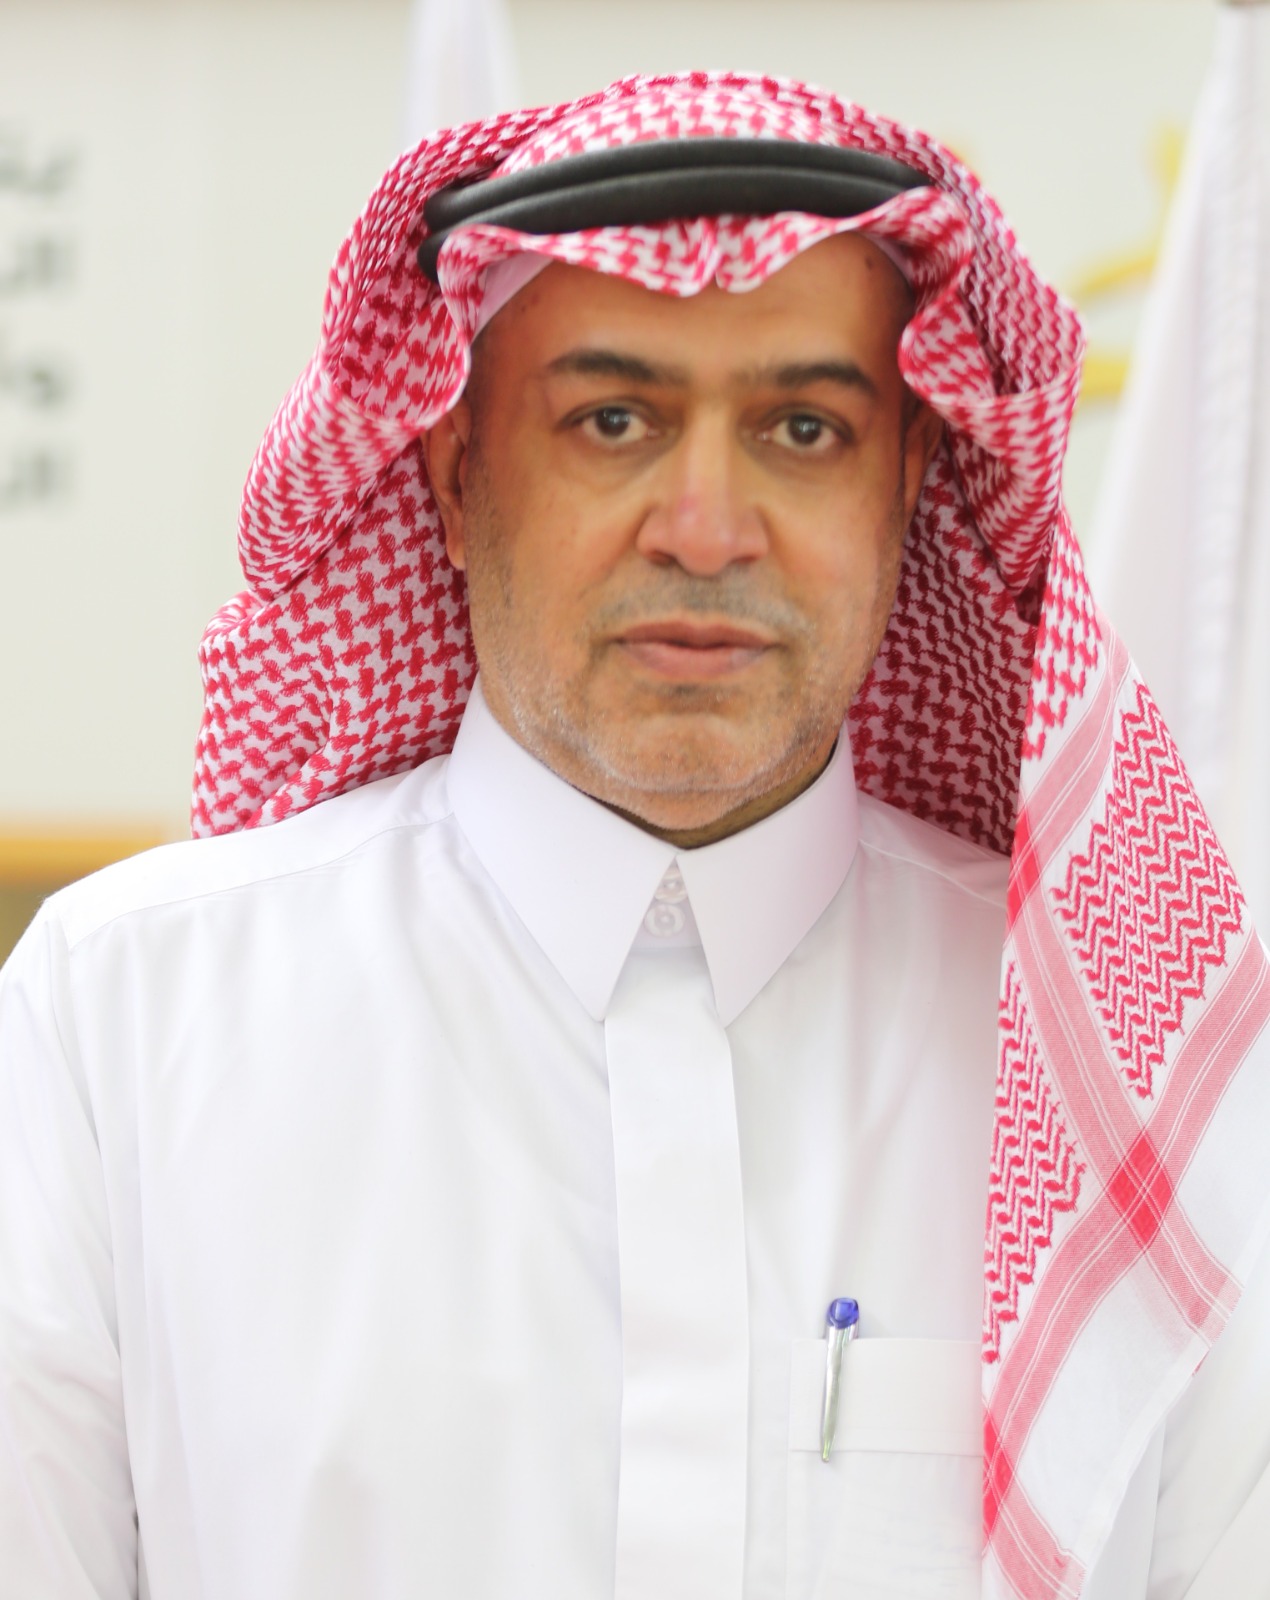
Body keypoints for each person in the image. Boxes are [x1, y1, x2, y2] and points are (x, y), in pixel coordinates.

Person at [2, 71, 1269, 1600]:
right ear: (456, 474)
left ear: (905, 485)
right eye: (614, 421)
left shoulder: (1134, 1054)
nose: (707, 527)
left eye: (802, 428)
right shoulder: (122, 1021)